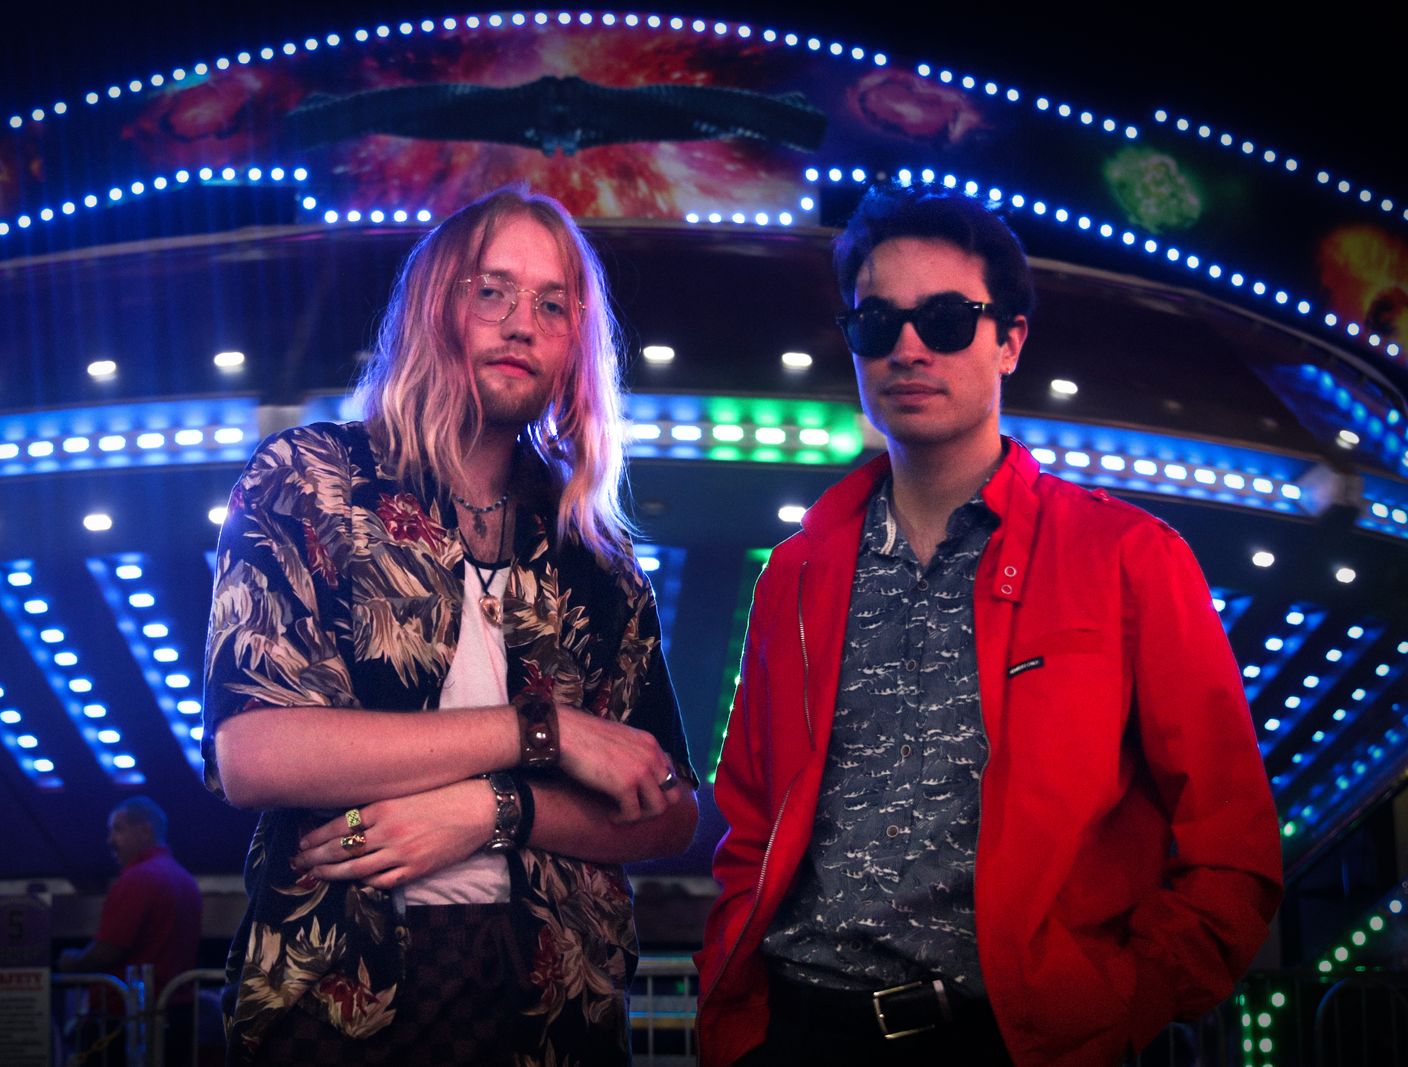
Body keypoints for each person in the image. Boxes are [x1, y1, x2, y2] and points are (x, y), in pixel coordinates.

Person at [695, 183, 1283, 1066]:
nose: (908, 348)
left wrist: (1115, 1002)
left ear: (1010, 339)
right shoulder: (796, 572)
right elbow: (748, 816)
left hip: (1011, 1037)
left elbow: (1232, 844)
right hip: (797, 1028)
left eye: (944, 318)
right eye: (877, 323)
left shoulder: (1129, 557)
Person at [202, 185, 699, 1065]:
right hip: (337, 998)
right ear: (435, 306)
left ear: (575, 345)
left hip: (556, 1011)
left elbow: (668, 813)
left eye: (553, 305)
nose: (522, 324)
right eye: (492, 291)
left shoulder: (596, 552)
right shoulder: (309, 478)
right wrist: (542, 732)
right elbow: (255, 753)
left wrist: (496, 810)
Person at [57, 796, 203, 1065]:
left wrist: (73, 962)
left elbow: (109, 950)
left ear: (145, 831)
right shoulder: (184, 879)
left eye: (118, 829)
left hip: (126, 1021)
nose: (110, 840)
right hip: (177, 1016)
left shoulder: (138, 879)